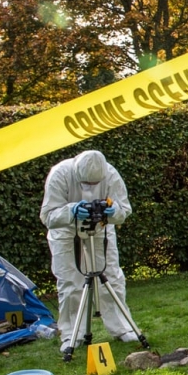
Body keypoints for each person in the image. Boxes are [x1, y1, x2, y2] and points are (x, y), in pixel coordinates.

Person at [40, 149, 137, 358]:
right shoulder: (59, 174)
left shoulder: (110, 174)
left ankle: (122, 328)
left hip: (99, 229)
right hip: (65, 232)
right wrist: (71, 210)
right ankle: (72, 335)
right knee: (70, 283)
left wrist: (114, 212)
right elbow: (47, 216)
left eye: (94, 185)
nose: (90, 189)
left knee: (111, 277)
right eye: (86, 185)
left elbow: (124, 210)